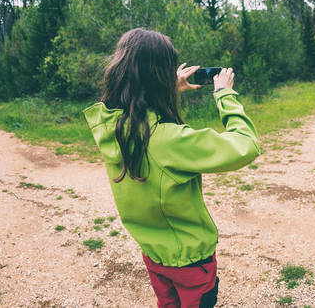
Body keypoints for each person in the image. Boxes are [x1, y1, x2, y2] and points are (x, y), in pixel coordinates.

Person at [83, 28, 261, 308]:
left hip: (153, 254)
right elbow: (246, 144)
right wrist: (225, 95)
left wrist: (167, 89)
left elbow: (139, 108)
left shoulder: (113, 128)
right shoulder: (169, 141)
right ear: (160, 77)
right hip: (190, 262)